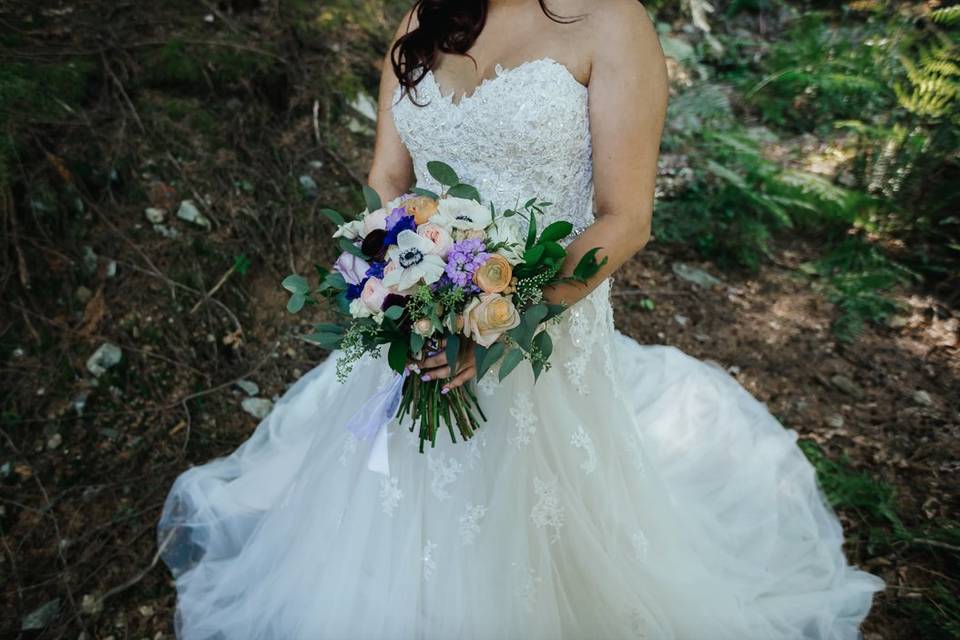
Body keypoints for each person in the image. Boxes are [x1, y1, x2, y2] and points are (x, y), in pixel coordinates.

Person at [157, 1, 885, 638]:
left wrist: (507, 320)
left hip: (543, 325)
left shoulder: (612, 21)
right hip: (422, 317)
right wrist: (405, 287)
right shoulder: (424, 20)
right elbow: (388, 175)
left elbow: (626, 220)